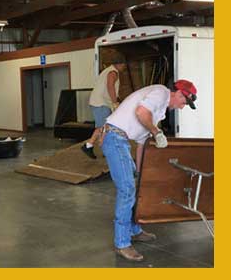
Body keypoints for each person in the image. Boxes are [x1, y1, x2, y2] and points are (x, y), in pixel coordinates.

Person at [100, 79, 197, 262]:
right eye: (184, 102)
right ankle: (122, 243)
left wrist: (142, 173)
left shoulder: (159, 111)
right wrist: (157, 132)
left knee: (135, 187)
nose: (182, 107)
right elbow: (141, 112)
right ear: (177, 93)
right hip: (114, 137)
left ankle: (134, 230)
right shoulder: (161, 92)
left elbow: (141, 144)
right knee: (127, 190)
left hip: (121, 140)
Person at [81, 59, 128, 159]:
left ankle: (101, 149)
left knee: (105, 127)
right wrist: (115, 102)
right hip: (101, 103)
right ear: (119, 64)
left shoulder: (108, 70)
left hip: (100, 102)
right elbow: (110, 87)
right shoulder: (113, 72)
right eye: (124, 64)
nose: (124, 67)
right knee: (103, 127)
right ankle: (89, 145)